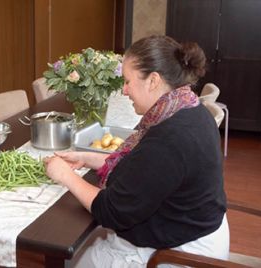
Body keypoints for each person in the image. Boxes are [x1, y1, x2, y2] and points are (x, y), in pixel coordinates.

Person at [44, 35, 228, 267]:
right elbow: (146, 172)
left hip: (181, 253)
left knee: (73, 258)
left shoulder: (170, 138)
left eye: (128, 81)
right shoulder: (187, 108)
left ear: (153, 80)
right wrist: (87, 158)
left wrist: (65, 176)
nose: (124, 90)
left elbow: (111, 211)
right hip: (194, 228)